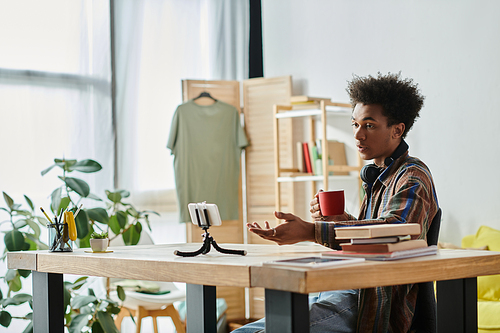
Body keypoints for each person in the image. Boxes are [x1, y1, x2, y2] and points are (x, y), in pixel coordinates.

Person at [234, 72, 439, 332]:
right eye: (355, 124)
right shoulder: (377, 176)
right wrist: (342, 221)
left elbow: (394, 231)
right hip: (347, 285)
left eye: (369, 125)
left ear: (397, 130)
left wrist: (311, 230)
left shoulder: (413, 176)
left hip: (371, 299)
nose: (358, 135)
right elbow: (372, 237)